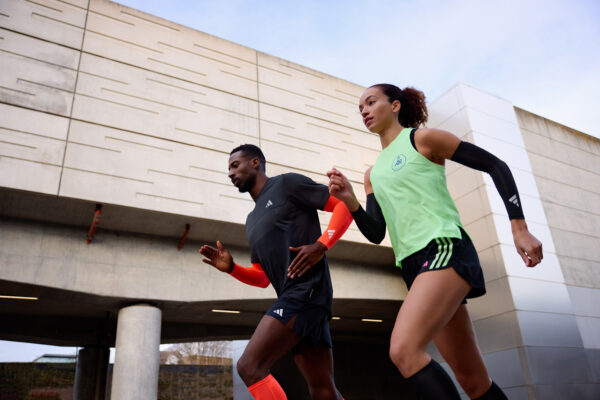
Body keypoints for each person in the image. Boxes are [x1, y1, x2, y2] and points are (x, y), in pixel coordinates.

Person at [327, 84, 543, 400]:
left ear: (396, 105)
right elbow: (376, 232)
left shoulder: (421, 140)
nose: (364, 110)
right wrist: (351, 201)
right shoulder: (372, 174)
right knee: (473, 382)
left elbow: (496, 165)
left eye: (371, 102)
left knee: (403, 350)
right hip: (414, 268)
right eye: (360, 107)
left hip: (443, 248)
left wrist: (519, 227)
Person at [200, 144, 352, 400]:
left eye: (235, 165)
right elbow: (262, 278)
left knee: (249, 366)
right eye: (228, 169)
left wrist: (321, 245)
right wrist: (233, 269)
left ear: (256, 163)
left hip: (307, 291)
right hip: (299, 298)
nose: (230, 173)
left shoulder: (287, 185)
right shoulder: (252, 221)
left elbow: (343, 207)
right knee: (323, 389)